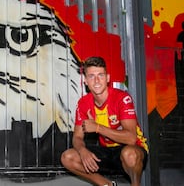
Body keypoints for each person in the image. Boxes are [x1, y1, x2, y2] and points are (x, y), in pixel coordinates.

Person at [60, 56, 148, 186]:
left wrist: (97, 128)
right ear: (85, 81)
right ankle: (107, 185)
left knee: (129, 155)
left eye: (100, 75)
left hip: (131, 149)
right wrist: (83, 151)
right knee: (67, 157)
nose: (96, 81)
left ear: (107, 78)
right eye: (91, 76)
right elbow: (77, 137)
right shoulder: (83, 103)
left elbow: (131, 138)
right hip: (106, 151)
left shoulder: (122, 98)